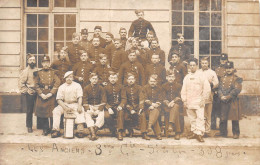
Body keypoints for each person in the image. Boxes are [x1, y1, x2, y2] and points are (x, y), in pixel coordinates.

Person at [181, 58, 211, 142]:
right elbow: (184, 89)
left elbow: (207, 88)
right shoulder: (187, 77)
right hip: (189, 101)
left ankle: (200, 134)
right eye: (191, 65)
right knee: (192, 118)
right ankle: (194, 132)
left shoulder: (201, 76)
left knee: (200, 118)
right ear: (189, 66)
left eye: (194, 65)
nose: (192, 67)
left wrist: (203, 99)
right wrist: (184, 100)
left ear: (197, 66)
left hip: (199, 100)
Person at [51, 71, 86, 138]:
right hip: (64, 104)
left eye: (70, 77)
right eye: (67, 77)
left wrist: (79, 106)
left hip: (75, 103)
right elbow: (59, 99)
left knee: (81, 110)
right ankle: (56, 130)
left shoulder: (77, 85)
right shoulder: (62, 87)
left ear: (73, 78)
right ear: (65, 78)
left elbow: (80, 97)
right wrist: (65, 107)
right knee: (56, 111)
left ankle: (80, 131)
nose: (69, 78)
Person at [34, 55, 61, 136]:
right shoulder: (38, 73)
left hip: (50, 94)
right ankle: (45, 128)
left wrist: (51, 92)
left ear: (49, 63)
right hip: (42, 94)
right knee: (43, 112)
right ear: (42, 64)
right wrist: (41, 93)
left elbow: (57, 82)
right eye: (44, 62)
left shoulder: (53, 72)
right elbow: (35, 84)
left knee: (52, 111)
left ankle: (53, 128)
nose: (46, 64)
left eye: (47, 62)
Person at [218, 61, 243, 139]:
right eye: (227, 68)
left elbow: (237, 89)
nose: (228, 70)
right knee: (223, 117)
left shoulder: (237, 78)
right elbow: (219, 89)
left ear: (233, 69)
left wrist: (228, 96)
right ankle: (223, 132)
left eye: (230, 68)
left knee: (234, 117)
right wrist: (221, 96)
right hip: (223, 100)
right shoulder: (222, 78)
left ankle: (236, 133)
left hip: (232, 100)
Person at [83, 73, 107, 141]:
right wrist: (87, 109)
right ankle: (93, 133)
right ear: (90, 79)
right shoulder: (86, 88)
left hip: (98, 106)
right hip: (90, 106)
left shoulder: (101, 88)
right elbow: (84, 100)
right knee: (87, 115)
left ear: (98, 80)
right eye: (93, 79)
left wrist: (98, 110)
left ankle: (92, 133)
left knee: (101, 117)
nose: (94, 80)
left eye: (96, 79)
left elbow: (104, 100)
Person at [199, 57, 219, 136]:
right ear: (200, 64)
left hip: (209, 95)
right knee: (201, 113)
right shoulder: (198, 72)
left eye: (205, 63)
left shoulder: (212, 72)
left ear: (208, 64)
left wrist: (211, 85)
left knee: (208, 113)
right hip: (199, 95)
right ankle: (201, 130)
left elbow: (216, 83)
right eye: (202, 63)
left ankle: (207, 130)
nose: (204, 65)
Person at [18, 53, 38, 133]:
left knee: (39, 109)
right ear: (27, 61)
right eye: (30, 60)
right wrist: (27, 90)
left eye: (33, 60)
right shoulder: (25, 71)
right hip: (30, 93)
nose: (32, 62)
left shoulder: (37, 70)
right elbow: (21, 84)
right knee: (29, 110)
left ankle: (40, 125)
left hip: (38, 92)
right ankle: (29, 126)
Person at [104, 73, 127, 140]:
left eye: (114, 78)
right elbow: (104, 100)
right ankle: (113, 131)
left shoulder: (121, 87)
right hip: (109, 107)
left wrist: (120, 105)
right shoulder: (105, 88)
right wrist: (108, 108)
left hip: (118, 106)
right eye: (111, 78)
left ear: (117, 79)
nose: (113, 79)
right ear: (109, 79)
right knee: (106, 116)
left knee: (121, 112)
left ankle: (120, 131)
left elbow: (124, 98)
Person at [140, 74, 163, 140]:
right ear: (148, 81)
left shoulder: (159, 88)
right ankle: (156, 134)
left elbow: (160, 99)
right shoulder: (144, 88)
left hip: (157, 108)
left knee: (154, 111)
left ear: (156, 82)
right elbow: (144, 98)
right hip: (146, 108)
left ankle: (149, 126)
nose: (153, 83)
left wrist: (155, 105)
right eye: (151, 81)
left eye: (154, 81)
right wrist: (151, 104)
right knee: (144, 114)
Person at [162, 71, 182, 139]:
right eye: (169, 77)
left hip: (177, 104)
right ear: (166, 78)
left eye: (172, 77)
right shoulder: (164, 86)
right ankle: (177, 132)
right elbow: (163, 97)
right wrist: (168, 103)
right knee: (174, 111)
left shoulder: (178, 85)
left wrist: (173, 101)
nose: (171, 78)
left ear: (174, 78)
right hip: (166, 106)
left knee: (175, 107)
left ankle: (170, 125)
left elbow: (180, 97)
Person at [211, 53, 228, 130]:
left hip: (224, 92)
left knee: (222, 110)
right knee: (213, 109)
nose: (223, 61)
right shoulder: (216, 69)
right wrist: (214, 90)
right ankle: (213, 125)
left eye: (224, 60)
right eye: (222, 60)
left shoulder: (228, 69)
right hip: (216, 91)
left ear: (227, 60)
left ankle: (222, 128)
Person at [124, 73, 144, 138]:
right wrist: (130, 109)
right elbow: (124, 100)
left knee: (141, 115)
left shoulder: (139, 88)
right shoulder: (125, 88)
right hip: (128, 107)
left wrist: (140, 108)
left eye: (132, 79)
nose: (131, 81)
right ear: (127, 80)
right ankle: (130, 131)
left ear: (135, 80)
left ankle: (144, 132)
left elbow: (141, 98)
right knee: (126, 117)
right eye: (129, 79)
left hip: (137, 106)